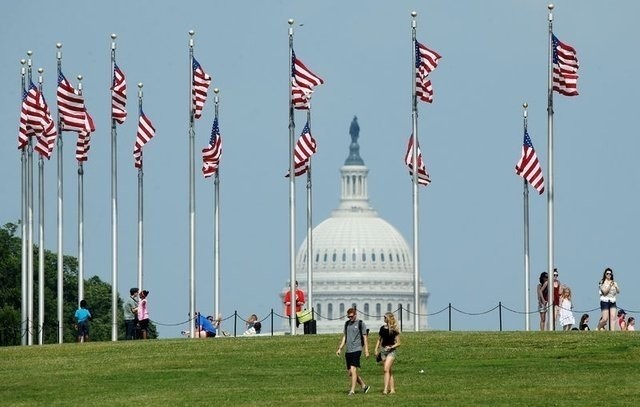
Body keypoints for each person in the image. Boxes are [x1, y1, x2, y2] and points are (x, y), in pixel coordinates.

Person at [336, 308, 370, 396]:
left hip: (357, 349)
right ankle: (364, 386)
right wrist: (340, 348)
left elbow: (365, 337)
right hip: (349, 350)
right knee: (351, 372)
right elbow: (345, 337)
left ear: (355, 315)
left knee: (353, 369)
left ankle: (352, 390)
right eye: (348, 317)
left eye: (351, 316)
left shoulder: (361, 323)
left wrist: (366, 350)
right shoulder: (347, 324)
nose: (350, 318)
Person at [374, 312, 400, 395]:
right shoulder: (382, 328)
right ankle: (392, 389)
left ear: (388, 318)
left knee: (385, 369)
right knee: (388, 370)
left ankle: (385, 389)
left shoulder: (394, 329)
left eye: (384, 317)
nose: (383, 318)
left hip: (391, 351)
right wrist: (376, 348)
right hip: (383, 351)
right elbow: (379, 339)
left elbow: (399, 343)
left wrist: (391, 347)